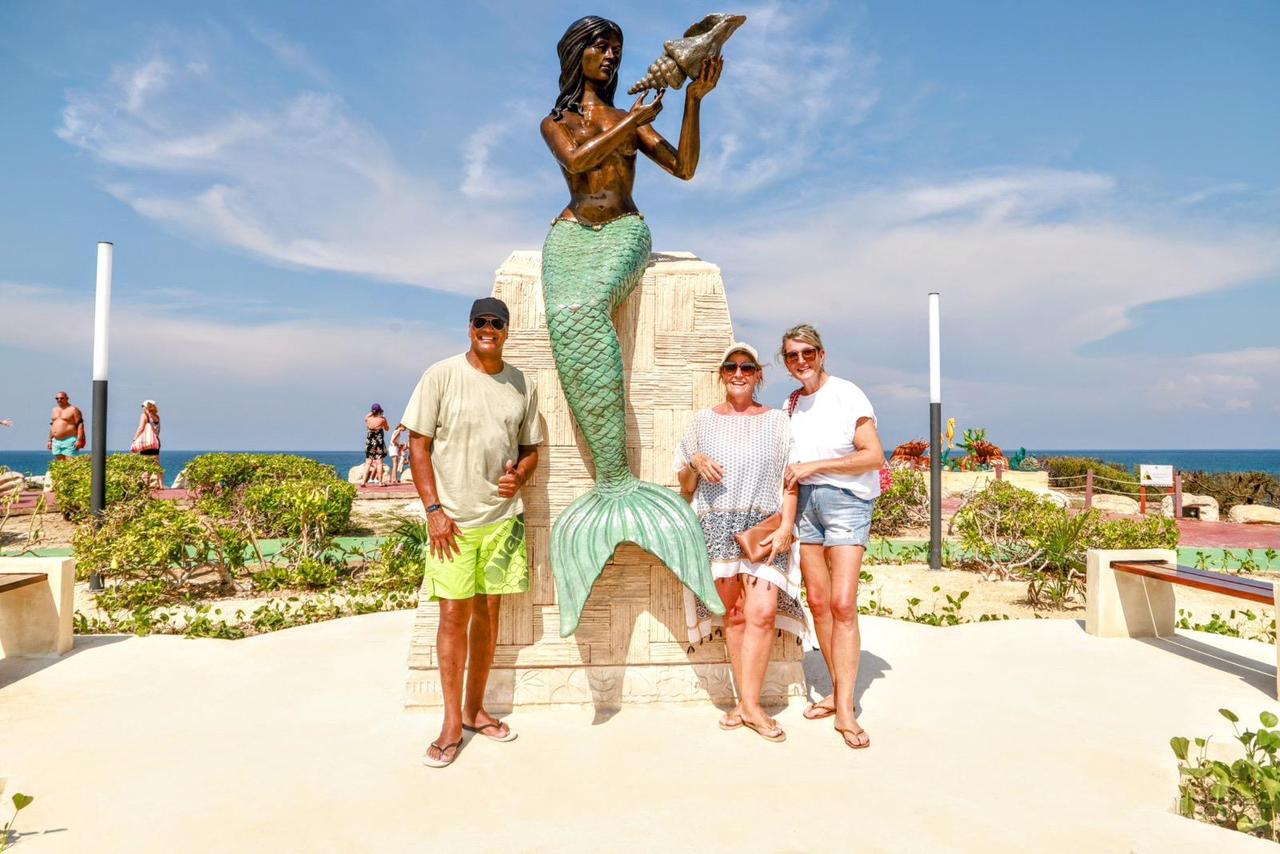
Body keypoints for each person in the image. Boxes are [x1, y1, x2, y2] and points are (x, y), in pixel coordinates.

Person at [402, 296, 543, 768]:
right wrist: (434, 510)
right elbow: (417, 446)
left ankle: (474, 709)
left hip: (502, 520)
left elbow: (530, 448)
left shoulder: (522, 383)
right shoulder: (440, 375)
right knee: (452, 617)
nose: (489, 329)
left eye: (497, 324)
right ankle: (448, 725)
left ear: (506, 331)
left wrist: (520, 476)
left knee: (488, 616)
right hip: (453, 523)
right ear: (469, 329)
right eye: (481, 322)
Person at [676, 342, 802, 743]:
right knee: (732, 614)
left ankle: (749, 704)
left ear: (758, 374)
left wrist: (787, 526)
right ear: (721, 373)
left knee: (762, 613)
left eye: (747, 367)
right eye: (730, 366)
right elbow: (684, 485)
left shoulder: (779, 422)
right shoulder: (702, 422)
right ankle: (748, 705)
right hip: (715, 527)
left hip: (765, 528)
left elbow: (790, 480)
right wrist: (694, 462)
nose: (738, 373)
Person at [781, 324, 885, 750]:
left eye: (807, 352)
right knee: (820, 604)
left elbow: (873, 455)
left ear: (822, 354)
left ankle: (845, 708)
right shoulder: (790, 406)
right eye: (791, 355)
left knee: (843, 604)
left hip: (845, 502)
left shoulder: (846, 393)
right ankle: (838, 694)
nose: (800, 360)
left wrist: (814, 467)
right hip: (805, 506)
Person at [131, 400, 164, 487]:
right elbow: (158, 431)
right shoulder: (157, 417)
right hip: (155, 442)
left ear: (146, 407)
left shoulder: (144, 415)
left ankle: (146, 485)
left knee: (145, 465)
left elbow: (141, 428)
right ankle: (160, 485)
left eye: (143, 407)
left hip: (146, 442)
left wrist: (134, 439)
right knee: (156, 464)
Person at [47, 391, 85, 460]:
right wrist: (49, 440)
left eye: (62, 398)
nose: (59, 400)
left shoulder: (74, 409)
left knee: (70, 462)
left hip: (69, 440)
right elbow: (52, 425)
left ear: (67, 398)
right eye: (57, 398)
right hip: (56, 441)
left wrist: (79, 440)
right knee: (60, 464)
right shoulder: (54, 410)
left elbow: (80, 425)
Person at [362, 404, 390, 486]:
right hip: (378, 443)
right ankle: (380, 482)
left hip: (369, 443)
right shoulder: (382, 420)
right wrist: (384, 418)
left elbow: (366, 417)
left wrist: (372, 412)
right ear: (379, 411)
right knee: (379, 463)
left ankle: (363, 481)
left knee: (368, 463)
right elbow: (387, 429)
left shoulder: (368, 419)